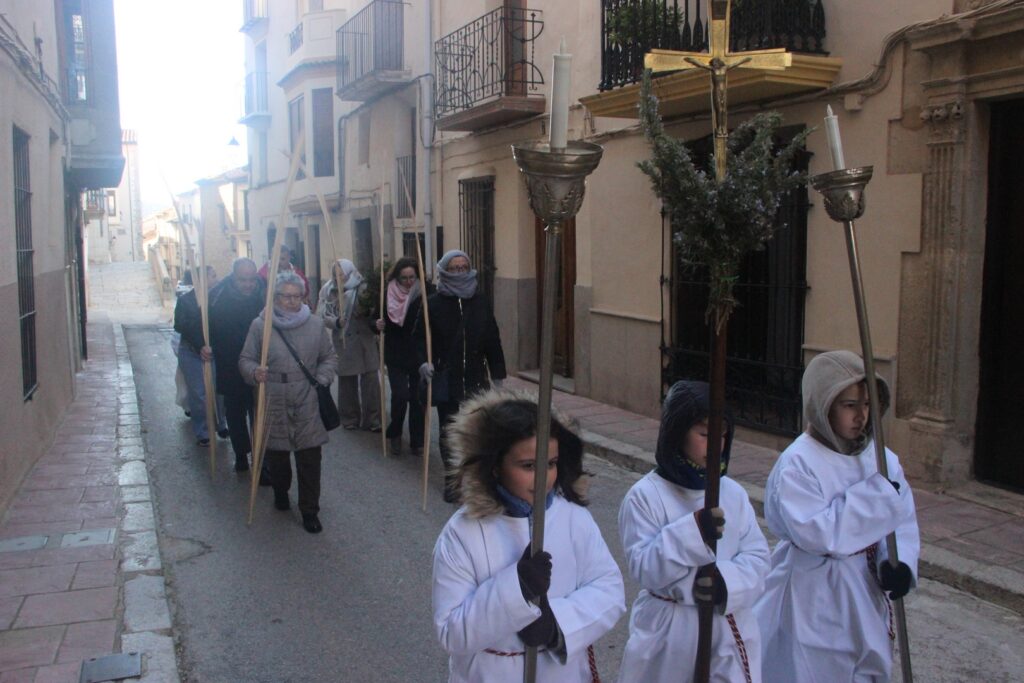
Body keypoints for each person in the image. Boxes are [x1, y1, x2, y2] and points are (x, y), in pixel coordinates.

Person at [432, 390, 625, 682]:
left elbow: (609, 589)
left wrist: (555, 625)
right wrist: (515, 589)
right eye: (528, 466)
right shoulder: (462, 534)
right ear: (496, 466)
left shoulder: (574, 519)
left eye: (550, 464)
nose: (543, 477)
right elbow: (451, 632)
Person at [753, 350, 920, 682]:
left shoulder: (883, 459)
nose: (861, 415)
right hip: (813, 591)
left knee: (867, 665)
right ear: (823, 405)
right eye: (849, 405)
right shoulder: (798, 464)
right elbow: (817, 533)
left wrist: (896, 561)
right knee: (813, 669)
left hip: (865, 587)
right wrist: (876, 497)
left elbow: (901, 518)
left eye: (867, 404)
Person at [617, 380, 770, 683]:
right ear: (677, 433)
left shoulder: (733, 493)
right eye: (704, 434)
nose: (716, 444)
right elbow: (646, 568)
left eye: (723, 435)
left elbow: (758, 556)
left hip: (724, 624)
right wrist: (692, 533)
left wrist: (725, 583)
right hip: (668, 634)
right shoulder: (645, 496)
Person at [239, 271, 337, 534]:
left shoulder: (315, 324)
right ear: (275, 297)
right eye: (286, 297)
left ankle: (309, 510)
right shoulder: (261, 325)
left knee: (310, 458)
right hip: (273, 395)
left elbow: (329, 357)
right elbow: (245, 359)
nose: (292, 301)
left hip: (307, 396)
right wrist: (253, 372)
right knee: (278, 456)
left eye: (297, 296)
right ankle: (281, 492)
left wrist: (323, 378)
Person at [419, 250, 507, 501]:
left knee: (475, 429)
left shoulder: (479, 300)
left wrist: (498, 372)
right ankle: (453, 479)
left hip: (475, 376)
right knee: (450, 430)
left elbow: (492, 336)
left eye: (463, 267)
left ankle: (474, 478)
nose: (459, 271)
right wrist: (424, 363)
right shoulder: (434, 303)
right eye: (454, 267)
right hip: (447, 375)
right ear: (445, 270)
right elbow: (419, 338)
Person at [207, 258, 266, 473]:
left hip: (260, 364)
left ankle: (262, 459)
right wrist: (204, 345)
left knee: (260, 411)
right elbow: (204, 326)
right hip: (230, 363)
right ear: (234, 277)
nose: (248, 284)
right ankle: (241, 453)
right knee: (235, 413)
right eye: (243, 280)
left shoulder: (265, 293)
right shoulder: (217, 296)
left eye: (251, 279)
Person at [316, 259, 381, 431]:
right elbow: (322, 314)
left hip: (364, 339)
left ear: (349, 271)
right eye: (335, 273)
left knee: (371, 380)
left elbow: (374, 310)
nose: (338, 277)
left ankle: (373, 418)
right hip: (344, 339)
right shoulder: (328, 290)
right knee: (347, 382)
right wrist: (336, 321)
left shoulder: (363, 286)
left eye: (341, 273)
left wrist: (367, 312)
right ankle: (349, 417)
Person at [375, 257, 425, 456]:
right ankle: (395, 432)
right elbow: (374, 317)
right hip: (395, 352)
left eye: (412, 277)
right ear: (397, 276)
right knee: (400, 395)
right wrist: (376, 324)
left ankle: (417, 441)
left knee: (417, 398)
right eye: (404, 278)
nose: (408, 281)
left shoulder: (424, 292)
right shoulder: (387, 292)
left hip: (418, 353)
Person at [173, 266, 228, 446]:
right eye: (212, 276)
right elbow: (181, 326)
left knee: (218, 391)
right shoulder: (186, 301)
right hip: (191, 351)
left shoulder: (219, 300)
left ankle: (221, 423)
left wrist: (213, 346)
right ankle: (203, 430)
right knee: (199, 393)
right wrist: (200, 346)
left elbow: (223, 326)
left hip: (215, 350)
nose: (216, 279)